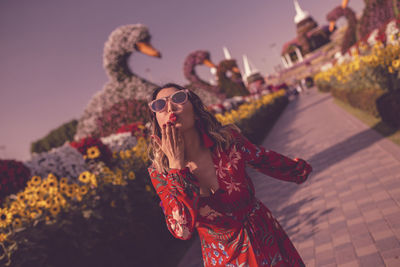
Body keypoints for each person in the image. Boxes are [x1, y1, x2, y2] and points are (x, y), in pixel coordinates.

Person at [147, 83, 312, 266]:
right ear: (156, 120)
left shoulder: (227, 142)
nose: (169, 107)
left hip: (266, 239)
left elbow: (264, 158)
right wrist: (176, 167)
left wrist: (300, 170)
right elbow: (182, 230)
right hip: (223, 258)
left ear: (194, 108)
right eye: (159, 105)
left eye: (178, 98)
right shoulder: (160, 173)